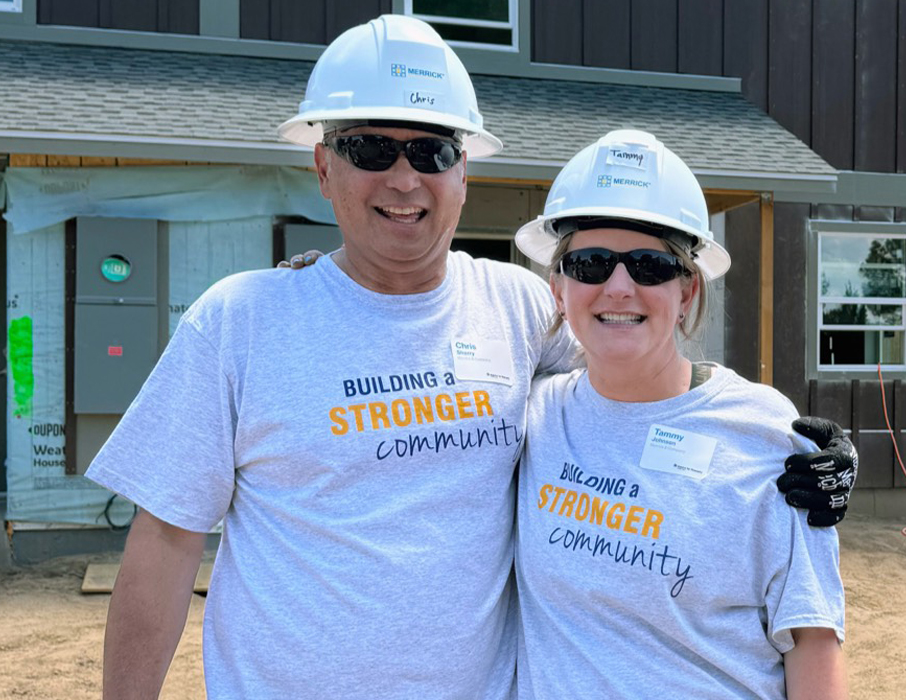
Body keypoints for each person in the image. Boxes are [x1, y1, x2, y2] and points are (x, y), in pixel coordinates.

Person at [85, 15, 855, 700]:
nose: (403, 176)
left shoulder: (518, 308)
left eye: (430, 150)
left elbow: (632, 362)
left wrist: (777, 438)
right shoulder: (241, 321)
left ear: (463, 171)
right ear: (323, 168)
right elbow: (165, 540)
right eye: (368, 148)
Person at [512, 130, 846, 698]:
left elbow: (812, 639)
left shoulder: (763, 433)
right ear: (559, 289)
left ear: (687, 291)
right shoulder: (531, 415)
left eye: (648, 265)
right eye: (591, 264)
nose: (619, 287)